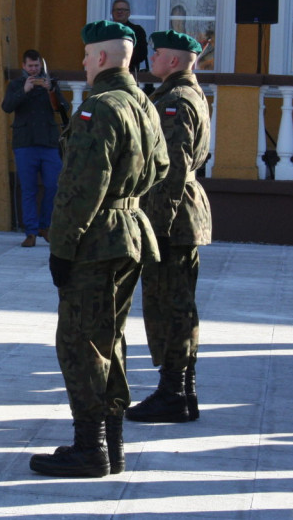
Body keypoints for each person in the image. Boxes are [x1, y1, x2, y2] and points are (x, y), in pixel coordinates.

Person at [30, 20, 168, 479]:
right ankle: (112, 444)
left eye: (88, 55)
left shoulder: (99, 108)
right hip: (130, 230)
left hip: (95, 238)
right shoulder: (144, 103)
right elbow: (161, 167)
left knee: (80, 342)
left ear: (103, 58)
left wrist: (62, 247)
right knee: (110, 338)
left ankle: (89, 447)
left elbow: (80, 187)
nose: (85, 63)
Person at [125, 30, 212, 424]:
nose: (152, 58)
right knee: (176, 303)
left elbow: (171, 171)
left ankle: (173, 391)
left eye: (157, 53)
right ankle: (182, 390)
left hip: (171, 218)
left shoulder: (175, 101)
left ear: (174, 61)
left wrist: (156, 227)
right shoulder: (181, 93)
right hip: (179, 214)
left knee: (170, 305)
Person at [1, 48, 70, 247]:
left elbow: (63, 109)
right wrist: (24, 90)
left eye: (37, 66)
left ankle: (45, 226)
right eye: (30, 66)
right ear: (24, 66)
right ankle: (30, 232)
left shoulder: (50, 84)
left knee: (53, 185)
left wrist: (51, 91)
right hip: (24, 143)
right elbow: (7, 107)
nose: (33, 70)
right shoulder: (16, 84)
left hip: (48, 143)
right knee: (28, 189)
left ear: (41, 65)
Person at [111, 0, 149, 75]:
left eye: (123, 10)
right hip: (108, 72)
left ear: (129, 13)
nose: (120, 12)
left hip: (130, 72)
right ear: (112, 12)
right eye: (117, 9)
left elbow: (142, 53)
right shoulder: (106, 30)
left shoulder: (137, 30)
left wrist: (123, 60)